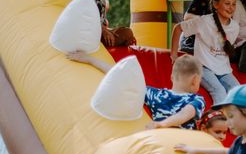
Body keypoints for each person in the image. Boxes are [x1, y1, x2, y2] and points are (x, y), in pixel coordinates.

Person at [67, 52, 206, 129]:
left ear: (171, 77)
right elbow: (184, 114)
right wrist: (161, 124)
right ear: (195, 80)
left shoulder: (155, 94)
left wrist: (90, 59)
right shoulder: (196, 99)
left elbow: (120, 75)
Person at [177, 0, 240, 105]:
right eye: (227, 4)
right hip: (203, 66)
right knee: (219, 90)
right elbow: (178, 28)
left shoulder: (235, 27)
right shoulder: (204, 22)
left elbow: (224, 49)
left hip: (223, 69)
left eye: (234, 4)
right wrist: (173, 54)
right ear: (216, 4)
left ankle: (237, 121)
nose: (231, 7)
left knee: (238, 91)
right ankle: (216, 121)